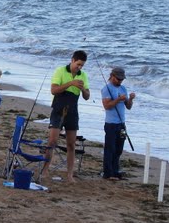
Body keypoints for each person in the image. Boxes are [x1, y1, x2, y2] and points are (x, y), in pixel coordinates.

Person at [41, 50, 90, 183]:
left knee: (71, 144)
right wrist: (70, 83)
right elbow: (54, 90)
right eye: (78, 64)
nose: (79, 67)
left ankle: (69, 175)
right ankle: (45, 169)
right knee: (52, 141)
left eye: (82, 65)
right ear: (73, 60)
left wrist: (83, 89)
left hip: (73, 110)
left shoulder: (83, 75)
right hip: (58, 108)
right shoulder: (60, 71)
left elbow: (87, 96)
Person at [101, 66, 135, 179]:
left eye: (122, 79)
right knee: (110, 149)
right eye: (118, 79)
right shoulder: (106, 88)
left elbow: (128, 106)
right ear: (112, 76)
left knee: (119, 149)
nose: (120, 81)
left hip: (121, 123)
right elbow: (107, 106)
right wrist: (118, 100)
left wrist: (130, 99)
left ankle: (115, 171)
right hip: (111, 124)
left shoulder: (123, 88)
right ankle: (107, 173)